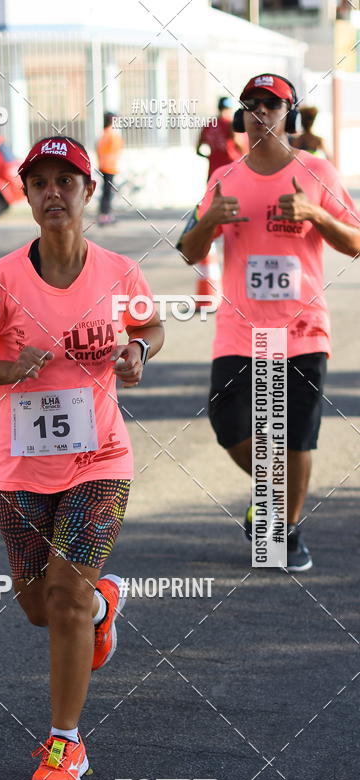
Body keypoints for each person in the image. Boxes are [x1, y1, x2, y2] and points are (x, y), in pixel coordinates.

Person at [0, 137, 164, 780]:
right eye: (39, 182)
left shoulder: (119, 270)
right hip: (20, 470)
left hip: (101, 458)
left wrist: (140, 353)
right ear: (28, 196)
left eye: (66, 180)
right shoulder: (0, 281)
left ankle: (65, 741)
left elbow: (149, 326)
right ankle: (101, 610)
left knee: (65, 596)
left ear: (88, 192)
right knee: (41, 608)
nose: (53, 193)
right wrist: (9, 369)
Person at [178, 73, 360, 572]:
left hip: (302, 327)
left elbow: (355, 241)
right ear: (240, 116)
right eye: (252, 105)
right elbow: (189, 249)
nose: (260, 113)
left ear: (289, 114)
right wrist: (211, 220)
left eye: (271, 105)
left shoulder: (318, 170)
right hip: (241, 328)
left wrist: (315, 215)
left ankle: (286, 529)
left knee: (298, 435)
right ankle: (271, 496)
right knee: (227, 420)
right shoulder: (223, 178)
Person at [196, 97, 246, 181]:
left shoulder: (208, 125)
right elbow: (238, 143)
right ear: (230, 109)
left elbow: (198, 150)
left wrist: (211, 157)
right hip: (231, 170)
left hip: (213, 171)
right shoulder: (230, 124)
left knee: (214, 194)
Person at [96, 111, 123, 225]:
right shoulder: (111, 135)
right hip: (109, 168)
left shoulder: (104, 134)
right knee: (107, 192)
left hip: (105, 167)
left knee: (106, 191)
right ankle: (104, 215)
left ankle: (105, 213)